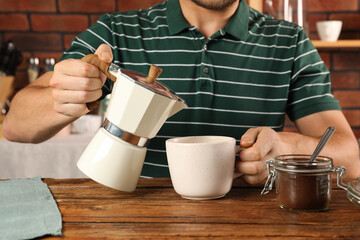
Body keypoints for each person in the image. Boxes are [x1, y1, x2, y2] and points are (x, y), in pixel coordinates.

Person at [3, 0, 360, 184]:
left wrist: (286, 151)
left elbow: (350, 157)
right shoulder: (117, 31)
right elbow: (15, 126)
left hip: (253, 219)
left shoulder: (290, 42)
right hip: (130, 213)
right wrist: (61, 95)